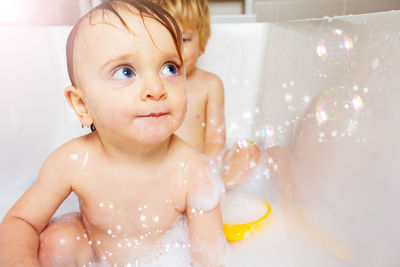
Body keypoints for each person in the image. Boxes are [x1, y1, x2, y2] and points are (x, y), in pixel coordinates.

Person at [0, 1, 229, 266]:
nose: (156, 88)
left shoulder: (195, 172)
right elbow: (20, 221)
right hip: (95, 255)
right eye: (126, 72)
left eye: (170, 68)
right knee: (58, 240)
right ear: (83, 106)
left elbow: (210, 259)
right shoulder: (74, 161)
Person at [152, 0, 261, 189]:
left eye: (185, 40)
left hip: (202, 165)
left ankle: (220, 191)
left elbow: (215, 139)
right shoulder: (151, 87)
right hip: (161, 170)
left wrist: (204, 169)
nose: (175, 49)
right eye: (166, 39)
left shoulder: (210, 85)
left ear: (201, 44)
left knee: (249, 151)